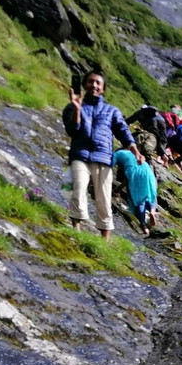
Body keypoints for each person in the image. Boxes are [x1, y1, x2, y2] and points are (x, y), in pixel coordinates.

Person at [62, 70, 142, 239]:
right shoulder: (71, 107)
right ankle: (76, 231)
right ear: (85, 85)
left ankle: (105, 239)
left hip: (103, 157)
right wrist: (77, 109)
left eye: (98, 83)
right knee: (78, 189)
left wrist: (134, 149)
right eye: (90, 81)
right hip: (80, 155)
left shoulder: (111, 111)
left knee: (103, 198)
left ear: (103, 88)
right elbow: (72, 130)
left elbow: (123, 131)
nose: (94, 85)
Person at [113, 148, 159, 236]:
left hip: (134, 173)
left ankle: (143, 225)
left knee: (138, 199)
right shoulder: (134, 153)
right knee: (149, 194)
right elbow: (127, 179)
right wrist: (119, 188)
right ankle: (152, 211)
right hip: (147, 170)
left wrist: (117, 189)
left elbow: (110, 165)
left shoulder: (117, 153)